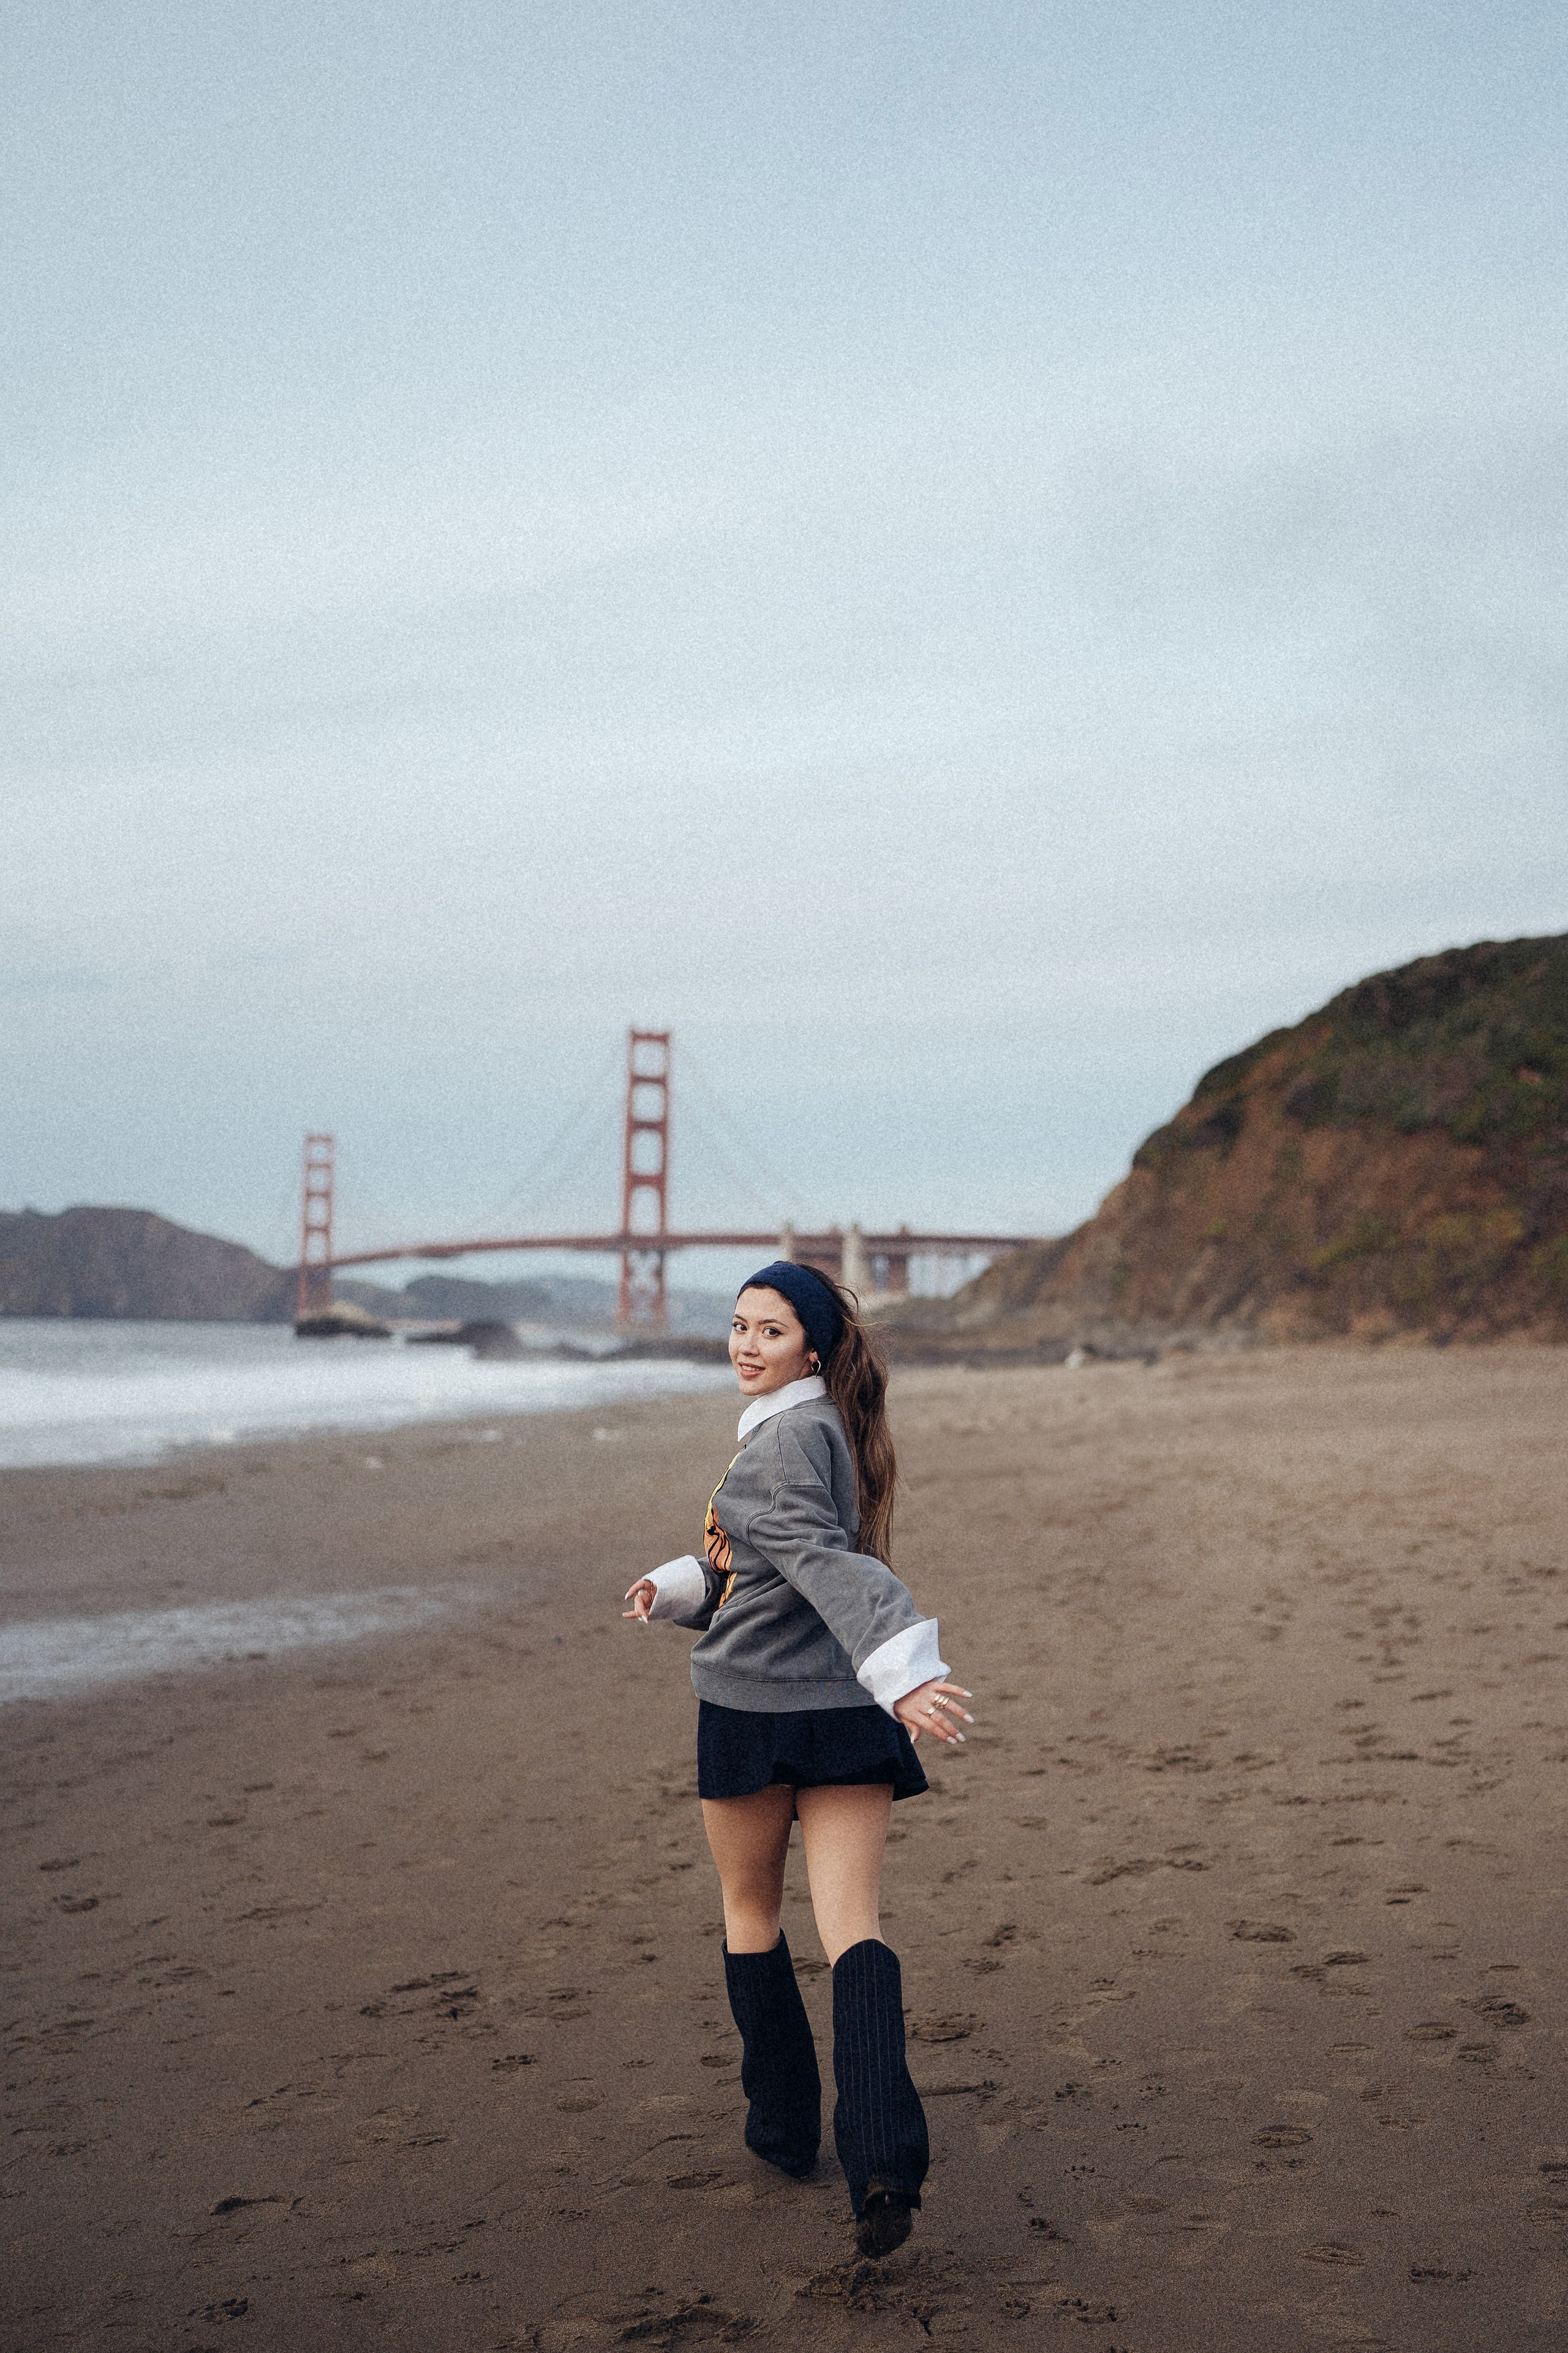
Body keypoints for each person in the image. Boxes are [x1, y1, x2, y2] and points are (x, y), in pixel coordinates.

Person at [624, 1260, 973, 2257]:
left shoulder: (780, 1442)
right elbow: (773, 1567)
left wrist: (904, 1663)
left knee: (752, 1913)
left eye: (769, 1330)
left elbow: (824, 1563)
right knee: (853, 1926)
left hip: (753, 1712)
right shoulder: (825, 1430)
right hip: (844, 1712)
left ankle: (783, 2127)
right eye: (739, 1325)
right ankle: (882, 2160)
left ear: (811, 1348)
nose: (745, 1344)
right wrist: (679, 1585)